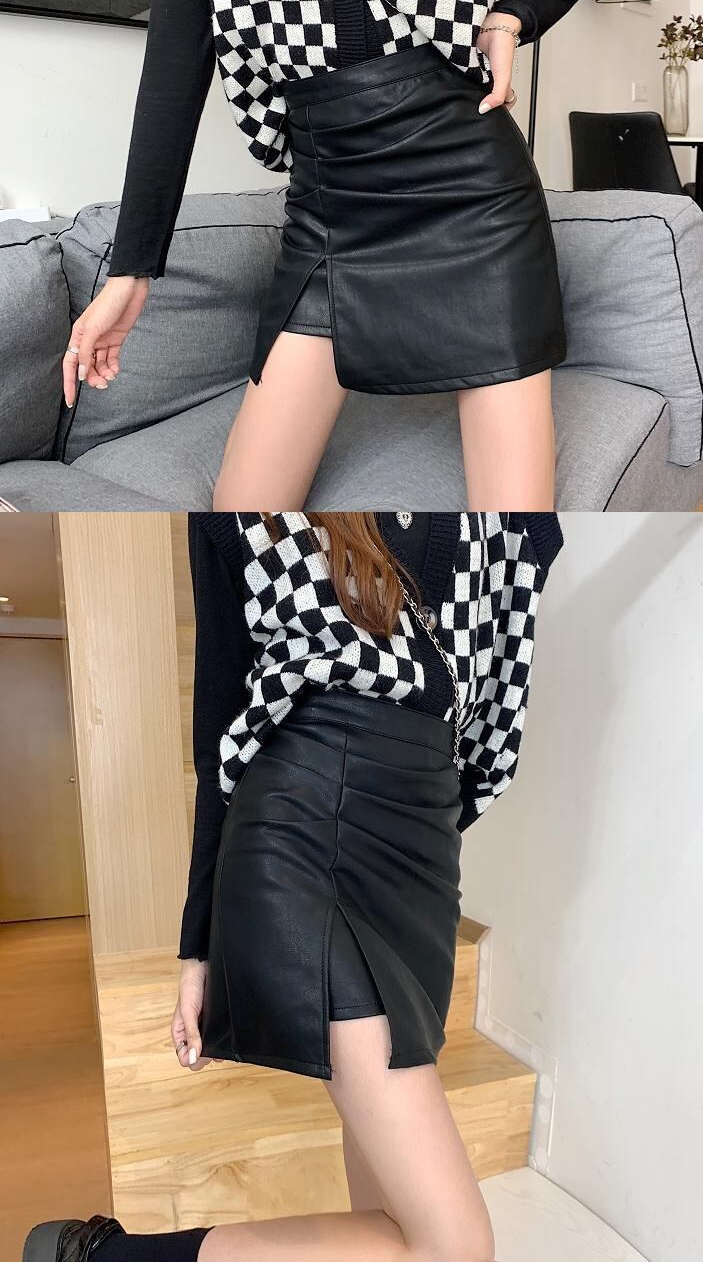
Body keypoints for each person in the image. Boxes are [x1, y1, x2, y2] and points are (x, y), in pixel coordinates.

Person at [22, 509, 565, 1262]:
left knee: (394, 1215)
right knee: (453, 1245)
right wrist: (197, 945)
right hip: (302, 825)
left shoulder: (499, 528)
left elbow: (493, 698)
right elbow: (220, 727)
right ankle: (101, 1257)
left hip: (423, 858)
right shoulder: (260, 515)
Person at [61, 0, 601, 514]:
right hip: (329, 206)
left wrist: (513, 18)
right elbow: (174, 69)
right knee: (243, 519)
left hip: (474, 192)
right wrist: (131, 269)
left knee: (511, 528)